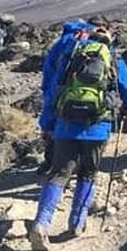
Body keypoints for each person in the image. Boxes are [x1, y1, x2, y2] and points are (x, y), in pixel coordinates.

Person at [29, 24, 127, 251]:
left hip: (66, 126)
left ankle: (41, 223)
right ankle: (77, 223)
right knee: (88, 173)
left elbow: (53, 92)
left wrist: (47, 124)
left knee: (58, 173)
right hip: (98, 126)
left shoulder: (71, 57)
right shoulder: (113, 59)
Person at [37, 20, 96, 175]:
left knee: (54, 129)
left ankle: (49, 162)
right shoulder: (76, 46)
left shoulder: (59, 45)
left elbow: (49, 70)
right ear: (80, 32)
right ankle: (69, 169)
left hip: (54, 91)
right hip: (70, 92)